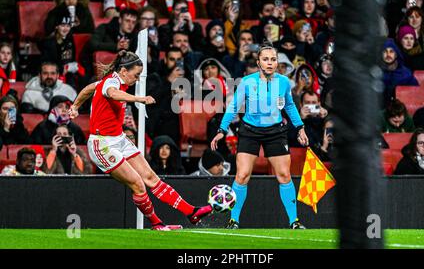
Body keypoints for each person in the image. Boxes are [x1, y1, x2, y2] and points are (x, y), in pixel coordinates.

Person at [69, 50, 213, 230]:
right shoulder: (112, 82)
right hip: (102, 144)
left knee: (151, 178)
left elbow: (90, 88)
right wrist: (139, 99)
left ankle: (191, 212)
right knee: (138, 184)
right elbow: (112, 93)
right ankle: (157, 224)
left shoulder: (112, 81)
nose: (137, 79)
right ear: (123, 71)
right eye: (135, 75)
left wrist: (75, 105)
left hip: (119, 139)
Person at [210, 43, 309, 229]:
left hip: (276, 132)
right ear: (258, 62)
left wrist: (300, 127)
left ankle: (294, 222)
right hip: (250, 132)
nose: (270, 63)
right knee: (242, 175)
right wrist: (221, 130)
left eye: (273, 59)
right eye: (266, 59)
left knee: (284, 175)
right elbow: (233, 107)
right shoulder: (247, 82)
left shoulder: (284, 82)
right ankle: (233, 221)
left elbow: (289, 106)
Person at [380, 38, 418, 105]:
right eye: (385, 51)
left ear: (396, 54)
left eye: (391, 51)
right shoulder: (376, 73)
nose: (388, 55)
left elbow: (415, 94)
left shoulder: (406, 74)